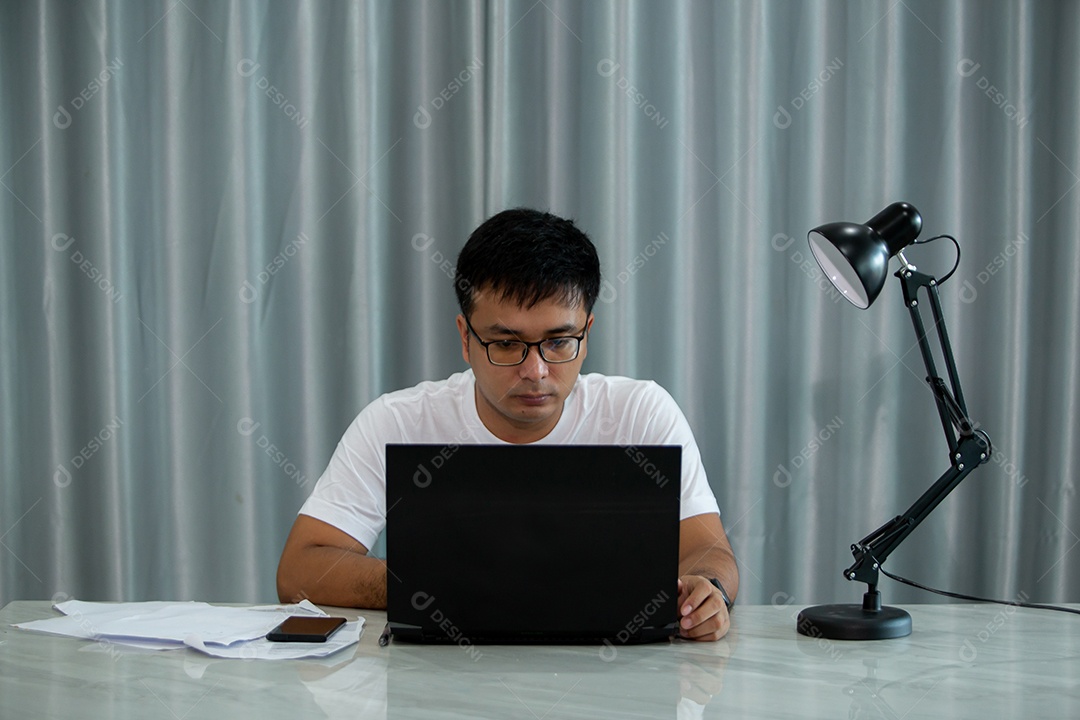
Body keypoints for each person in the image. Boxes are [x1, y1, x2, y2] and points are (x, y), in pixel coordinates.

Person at [277, 208, 739, 641]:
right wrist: (426, 585)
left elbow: (709, 551)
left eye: (559, 342)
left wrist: (708, 590)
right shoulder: (397, 422)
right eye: (506, 344)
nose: (535, 370)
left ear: (587, 332)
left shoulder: (641, 413)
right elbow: (300, 570)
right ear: (465, 338)